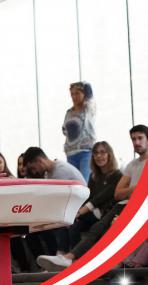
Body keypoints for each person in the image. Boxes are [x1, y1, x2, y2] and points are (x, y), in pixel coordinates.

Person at [37, 125, 147, 271]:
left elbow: (105, 197)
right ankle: (63, 257)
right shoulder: (131, 165)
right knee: (70, 222)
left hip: (126, 208)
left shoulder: (117, 174)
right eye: (133, 139)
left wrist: (130, 190)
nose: (136, 142)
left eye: (140, 138)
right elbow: (117, 193)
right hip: (121, 205)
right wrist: (137, 188)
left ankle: (72, 259)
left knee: (97, 226)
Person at [67, 141, 122, 248]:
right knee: (70, 224)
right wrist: (76, 212)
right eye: (96, 153)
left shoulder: (117, 174)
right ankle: (67, 256)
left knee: (76, 220)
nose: (99, 156)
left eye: (102, 152)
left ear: (109, 154)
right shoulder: (93, 176)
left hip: (107, 214)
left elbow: (100, 198)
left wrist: (80, 212)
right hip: (93, 213)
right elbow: (89, 197)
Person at [62, 81, 96, 180]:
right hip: (71, 151)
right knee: (74, 182)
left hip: (85, 151)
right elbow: (64, 130)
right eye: (72, 94)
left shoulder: (88, 109)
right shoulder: (69, 112)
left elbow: (90, 94)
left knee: (84, 180)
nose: (74, 96)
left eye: (77, 93)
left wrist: (83, 86)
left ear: (84, 94)